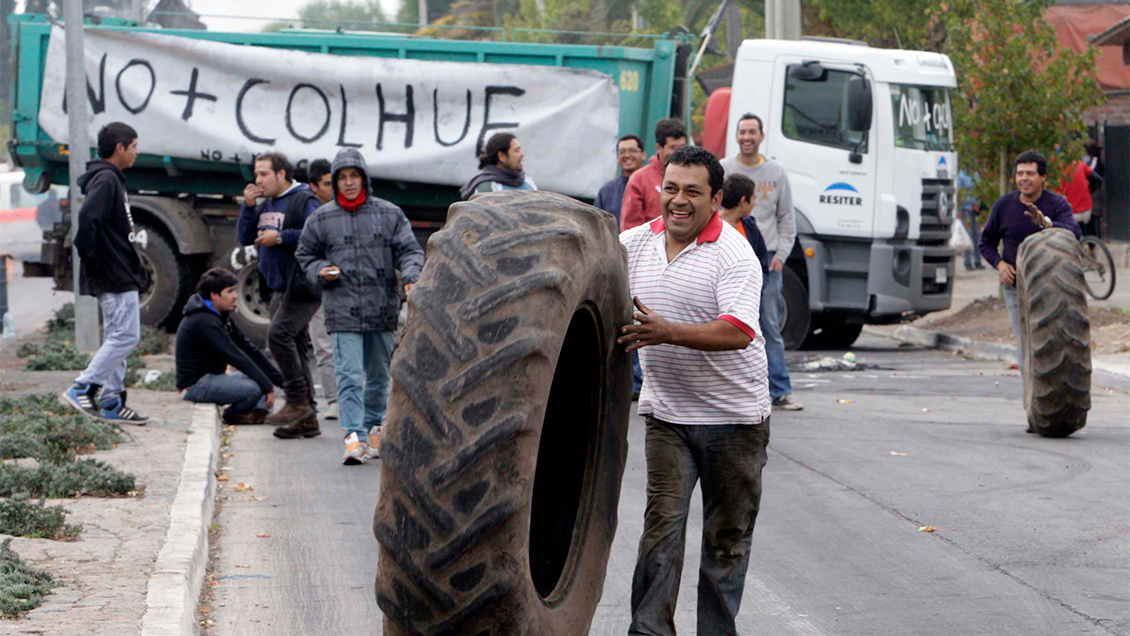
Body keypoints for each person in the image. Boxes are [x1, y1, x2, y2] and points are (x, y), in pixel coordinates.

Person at [618, 145, 770, 636]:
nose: (678, 201)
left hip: (735, 421)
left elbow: (739, 331)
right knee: (660, 533)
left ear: (715, 197)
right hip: (668, 420)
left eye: (692, 192)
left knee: (726, 542)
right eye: (671, 189)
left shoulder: (734, 253)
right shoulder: (634, 244)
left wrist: (667, 332)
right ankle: (648, 632)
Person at [297, 148, 424, 465]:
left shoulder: (389, 214)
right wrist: (320, 270)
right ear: (335, 182)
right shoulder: (321, 218)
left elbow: (410, 250)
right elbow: (305, 256)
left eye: (354, 176)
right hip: (342, 312)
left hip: (382, 310)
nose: (349, 183)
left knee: (380, 377)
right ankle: (353, 437)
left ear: (364, 179)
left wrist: (410, 277)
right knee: (349, 376)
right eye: (343, 178)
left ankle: (375, 428)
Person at [61, 122, 149, 424]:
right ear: (119, 148)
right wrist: (96, 263)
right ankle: (82, 387)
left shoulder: (112, 179)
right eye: (134, 145)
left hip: (119, 271)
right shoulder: (107, 179)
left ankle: (112, 401)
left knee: (117, 337)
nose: (137, 151)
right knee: (126, 336)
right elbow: (86, 221)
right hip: (113, 274)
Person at [720, 112, 803, 411]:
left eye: (752, 132)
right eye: (742, 131)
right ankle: (730, 390)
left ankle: (780, 390)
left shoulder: (776, 172)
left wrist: (780, 256)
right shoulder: (724, 168)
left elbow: (787, 219)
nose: (747, 137)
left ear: (762, 136)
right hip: (727, 260)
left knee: (769, 326)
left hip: (766, 261)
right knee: (728, 325)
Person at [237, 151, 322, 432]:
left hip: (301, 285)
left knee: (278, 335)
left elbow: (316, 234)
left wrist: (281, 237)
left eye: (263, 174)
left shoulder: (302, 199)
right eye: (256, 174)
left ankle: (297, 400)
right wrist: (249, 207)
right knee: (296, 345)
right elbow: (246, 237)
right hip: (277, 288)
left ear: (282, 174)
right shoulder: (268, 203)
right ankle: (307, 419)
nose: (258, 180)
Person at [979, 150, 1080, 368]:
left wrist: (1047, 223)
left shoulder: (1057, 204)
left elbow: (1075, 233)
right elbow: (985, 243)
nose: (1024, 178)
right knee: (1027, 344)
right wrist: (1000, 264)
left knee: (1056, 342)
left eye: (1030, 173)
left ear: (1043, 177)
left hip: (1053, 288)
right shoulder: (1004, 206)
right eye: (1020, 174)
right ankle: (1034, 398)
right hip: (1016, 288)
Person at [176, 268, 286, 427]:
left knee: (259, 379)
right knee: (254, 389)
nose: (235, 296)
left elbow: (248, 349)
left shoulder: (219, 315)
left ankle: (257, 414)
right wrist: (267, 387)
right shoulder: (204, 321)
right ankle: (233, 415)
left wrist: (281, 381)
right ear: (214, 295)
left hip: (213, 378)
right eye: (230, 291)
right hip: (196, 385)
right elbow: (235, 356)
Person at [306, 158, 338, 421]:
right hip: (319, 291)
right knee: (324, 346)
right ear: (314, 186)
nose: (335, 188)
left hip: (346, 290)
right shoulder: (311, 214)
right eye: (328, 183)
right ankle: (334, 399)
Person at [620, 118, 687, 232]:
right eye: (673, 148)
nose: (679, 152)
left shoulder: (692, 176)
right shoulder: (639, 179)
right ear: (659, 147)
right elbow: (631, 226)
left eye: (682, 147)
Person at [719, 174, 771, 274]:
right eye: (753, 198)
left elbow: (762, 264)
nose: (755, 204)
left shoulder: (751, 228)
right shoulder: (708, 226)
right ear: (743, 200)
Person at [459, 132, 537, 199]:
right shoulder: (486, 188)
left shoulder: (528, 181)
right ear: (502, 156)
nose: (522, 154)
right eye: (516, 151)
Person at [593, 134, 645, 226]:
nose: (627, 155)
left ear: (643, 155)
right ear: (617, 158)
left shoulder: (654, 185)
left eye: (632, 150)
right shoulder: (606, 191)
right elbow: (596, 224)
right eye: (622, 152)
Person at [1054, 157, 1100, 232]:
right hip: (1086, 210)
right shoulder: (1080, 164)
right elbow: (1098, 180)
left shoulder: (1055, 169)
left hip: (1069, 214)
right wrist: (1088, 191)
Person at [958, 170, 985, 271]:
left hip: (976, 209)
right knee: (968, 235)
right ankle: (967, 262)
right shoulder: (961, 176)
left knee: (977, 235)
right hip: (967, 210)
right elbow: (960, 194)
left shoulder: (976, 174)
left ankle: (978, 261)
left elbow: (980, 191)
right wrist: (960, 210)